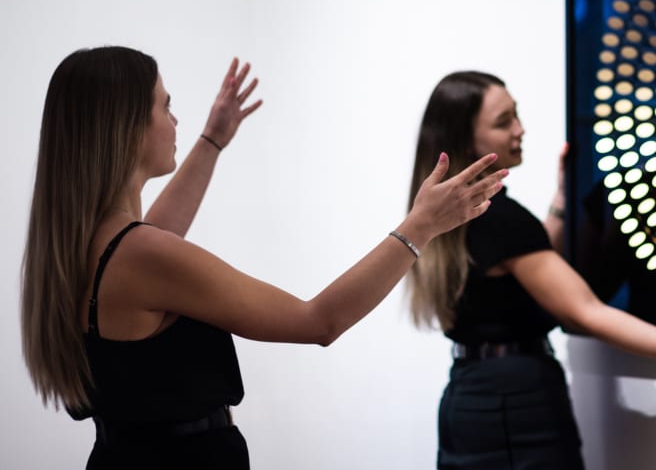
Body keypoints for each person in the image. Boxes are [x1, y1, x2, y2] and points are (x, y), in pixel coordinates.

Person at [20, 47, 508, 470]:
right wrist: (419, 226)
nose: (174, 120)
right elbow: (319, 321)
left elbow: (157, 233)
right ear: (124, 127)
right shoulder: (142, 254)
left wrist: (213, 140)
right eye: (165, 106)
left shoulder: (88, 245)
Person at [405, 70, 656, 470]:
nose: (520, 129)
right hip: (516, 403)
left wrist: (562, 198)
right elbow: (584, 310)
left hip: (468, 394)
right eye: (503, 121)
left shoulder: (453, 218)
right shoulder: (502, 222)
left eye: (517, 114)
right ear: (466, 140)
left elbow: (524, 267)